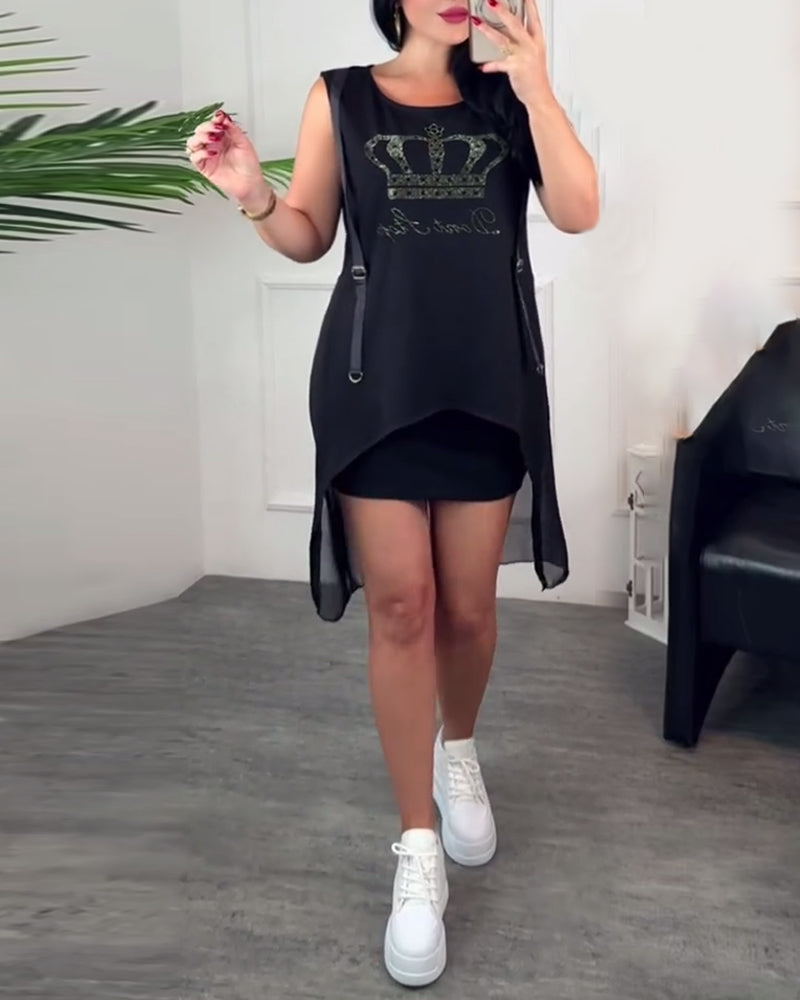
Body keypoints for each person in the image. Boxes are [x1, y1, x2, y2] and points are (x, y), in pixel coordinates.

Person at [187, 0, 598, 987]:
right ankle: (417, 845)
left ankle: (459, 752)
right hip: (374, 386)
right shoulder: (340, 99)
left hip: (486, 385)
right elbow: (308, 234)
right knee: (404, 606)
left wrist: (537, 86)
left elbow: (580, 209)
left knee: (467, 609)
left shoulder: (509, 102)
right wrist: (252, 192)